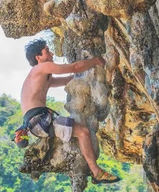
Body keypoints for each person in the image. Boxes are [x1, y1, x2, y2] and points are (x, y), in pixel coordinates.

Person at [15, 38, 120, 184]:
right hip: (40, 121)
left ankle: (92, 169)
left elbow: (70, 78)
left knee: (80, 130)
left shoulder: (43, 77)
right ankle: (96, 172)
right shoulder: (41, 68)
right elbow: (75, 67)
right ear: (38, 57)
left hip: (37, 122)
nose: (51, 53)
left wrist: (88, 73)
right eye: (47, 51)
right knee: (83, 132)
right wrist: (95, 61)